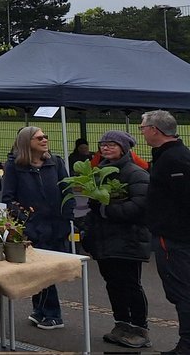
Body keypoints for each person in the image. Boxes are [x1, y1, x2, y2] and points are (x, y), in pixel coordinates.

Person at [81, 129, 150, 348]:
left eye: (112, 144)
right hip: (104, 240)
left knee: (130, 284)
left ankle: (140, 329)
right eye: (103, 144)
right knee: (113, 284)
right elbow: (93, 207)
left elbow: (140, 207)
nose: (105, 147)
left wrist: (106, 210)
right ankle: (121, 324)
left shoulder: (136, 173)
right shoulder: (98, 174)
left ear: (124, 148)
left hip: (129, 240)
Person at [1, 126, 73, 330]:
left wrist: (67, 216)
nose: (44, 140)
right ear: (27, 142)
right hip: (32, 228)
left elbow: (67, 191)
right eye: (39, 137)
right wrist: (25, 219)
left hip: (56, 226)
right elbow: (7, 198)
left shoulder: (56, 162)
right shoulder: (14, 167)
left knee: (48, 270)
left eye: (45, 136)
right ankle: (46, 311)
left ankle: (49, 312)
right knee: (39, 271)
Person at [142, 109, 190, 355]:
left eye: (143, 127)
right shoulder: (168, 156)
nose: (141, 131)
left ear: (155, 130)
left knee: (181, 291)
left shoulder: (175, 160)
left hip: (174, 238)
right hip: (172, 235)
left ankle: (187, 344)